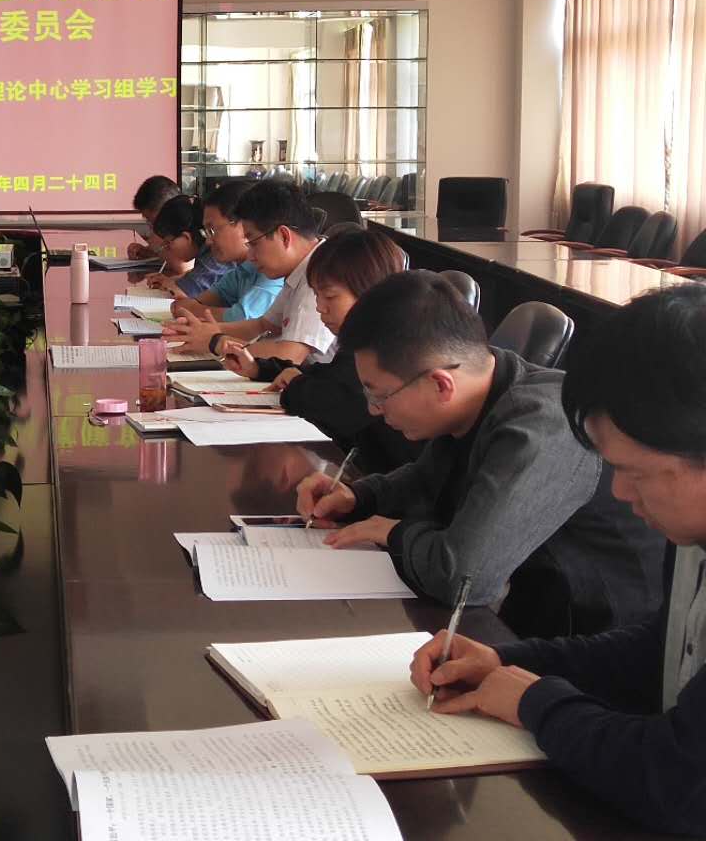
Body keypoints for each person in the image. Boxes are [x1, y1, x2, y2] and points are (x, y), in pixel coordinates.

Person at [408, 284, 706, 835]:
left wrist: (536, 702)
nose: (620, 492)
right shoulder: (691, 534)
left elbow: (681, 782)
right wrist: (510, 661)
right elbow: (662, 649)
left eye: (636, 472)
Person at [296, 270, 663, 638]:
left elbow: (464, 578)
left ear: (441, 384)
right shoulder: (481, 385)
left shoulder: (545, 424)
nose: (374, 410)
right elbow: (427, 477)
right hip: (527, 610)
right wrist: (359, 496)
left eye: (379, 395)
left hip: (590, 637)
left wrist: (393, 533)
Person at [222, 226, 421, 474]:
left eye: (330, 297)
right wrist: (259, 369)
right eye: (317, 296)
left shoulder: (384, 349)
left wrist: (295, 387)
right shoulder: (359, 341)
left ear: (369, 292)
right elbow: (328, 375)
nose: (320, 308)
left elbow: (335, 405)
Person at [164, 179, 334, 364]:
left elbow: (289, 355)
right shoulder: (298, 271)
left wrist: (216, 342)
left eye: (254, 243)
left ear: (284, 236)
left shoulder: (321, 274)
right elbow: (262, 325)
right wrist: (206, 332)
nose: (250, 256)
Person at [151, 181, 283, 322]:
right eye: (206, 232)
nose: (208, 241)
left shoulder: (273, 271)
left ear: (243, 225)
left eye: (212, 230)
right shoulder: (241, 271)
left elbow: (243, 318)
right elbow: (195, 302)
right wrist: (190, 307)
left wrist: (192, 308)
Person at [125, 174, 182, 262]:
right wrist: (148, 253)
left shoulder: (196, 235)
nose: (154, 230)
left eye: (156, 224)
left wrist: (161, 250)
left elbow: (182, 263)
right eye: (149, 222)